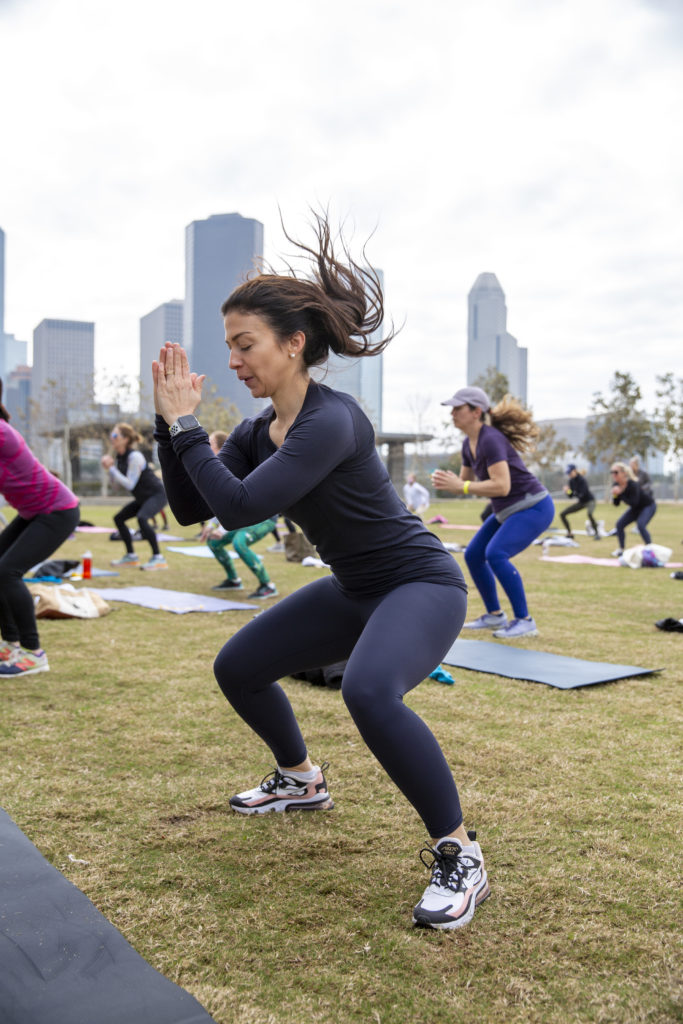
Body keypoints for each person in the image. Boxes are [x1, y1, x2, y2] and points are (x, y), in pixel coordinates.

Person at [152, 214, 489, 931]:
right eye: (230, 348)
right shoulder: (254, 431)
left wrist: (186, 429)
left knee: (369, 692)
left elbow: (243, 507)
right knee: (238, 666)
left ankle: (459, 852)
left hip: (418, 584)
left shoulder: (331, 420)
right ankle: (300, 780)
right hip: (353, 587)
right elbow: (190, 506)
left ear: (293, 343)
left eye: (246, 345)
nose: (236, 361)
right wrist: (167, 422)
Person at [432, 387, 555, 640]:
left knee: (496, 553)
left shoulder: (491, 439)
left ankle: (525, 621)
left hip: (533, 506)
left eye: (458, 408)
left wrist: (462, 485)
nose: (452, 413)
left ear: (476, 412)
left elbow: (502, 486)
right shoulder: (469, 443)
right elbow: (464, 483)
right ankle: (495, 615)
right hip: (507, 511)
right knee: (474, 554)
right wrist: (450, 481)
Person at [0, 385, 80, 677]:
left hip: (57, 511)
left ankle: (33, 653)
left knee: (7, 571)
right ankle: (9, 645)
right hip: (35, 513)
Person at [200, 431, 278, 597]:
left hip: (262, 517)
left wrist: (222, 531)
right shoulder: (219, 469)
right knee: (213, 543)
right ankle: (234, 580)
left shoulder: (234, 468)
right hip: (244, 517)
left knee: (239, 543)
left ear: (221, 448)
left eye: (210, 444)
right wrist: (212, 525)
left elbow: (239, 506)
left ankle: (268, 585)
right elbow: (221, 503)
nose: (207, 447)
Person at [101, 423, 168, 570]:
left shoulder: (135, 457)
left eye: (115, 435)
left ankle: (158, 558)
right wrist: (109, 470)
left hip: (157, 494)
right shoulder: (120, 458)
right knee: (118, 518)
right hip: (143, 497)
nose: (112, 439)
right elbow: (117, 487)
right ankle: (131, 557)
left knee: (142, 518)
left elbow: (130, 484)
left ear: (125, 439)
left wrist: (112, 469)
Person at [609, 461, 657, 557]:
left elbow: (634, 502)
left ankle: (650, 549)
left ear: (623, 473)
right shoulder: (616, 485)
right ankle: (621, 549)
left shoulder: (633, 484)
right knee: (619, 524)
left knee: (641, 525)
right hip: (636, 508)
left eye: (616, 472)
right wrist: (615, 495)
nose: (613, 475)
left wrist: (621, 493)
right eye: (612, 472)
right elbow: (616, 504)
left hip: (648, 505)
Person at [560, 464, 599, 539]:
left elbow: (583, 494)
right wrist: (567, 491)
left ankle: (597, 534)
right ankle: (570, 533)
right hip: (581, 502)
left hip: (590, 501)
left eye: (570, 473)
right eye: (568, 473)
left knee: (589, 514)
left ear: (574, 471)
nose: (569, 475)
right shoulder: (571, 481)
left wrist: (572, 492)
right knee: (562, 514)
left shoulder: (582, 480)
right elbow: (571, 496)